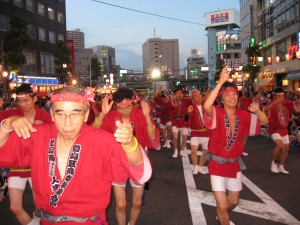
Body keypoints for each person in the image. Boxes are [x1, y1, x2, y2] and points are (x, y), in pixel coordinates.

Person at [0, 86, 152, 225]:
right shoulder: (37, 135)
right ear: (52, 114)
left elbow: (141, 171)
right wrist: (7, 125)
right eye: (60, 114)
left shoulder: (101, 140)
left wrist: (130, 144)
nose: (68, 123)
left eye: (75, 114)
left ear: (86, 115)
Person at [203, 65, 268, 225]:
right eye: (228, 94)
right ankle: (222, 216)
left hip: (234, 164)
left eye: (235, 94)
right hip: (217, 164)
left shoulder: (243, 115)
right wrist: (220, 83)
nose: (232, 97)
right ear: (222, 99)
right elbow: (206, 106)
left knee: (233, 202)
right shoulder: (217, 112)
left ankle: (221, 215)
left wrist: (258, 111)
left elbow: (265, 122)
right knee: (222, 205)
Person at [92, 87, 160, 225]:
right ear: (115, 106)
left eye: (127, 106)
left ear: (133, 102)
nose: (124, 111)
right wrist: (102, 114)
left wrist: (147, 118)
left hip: (138, 162)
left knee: (137, 202)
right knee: (121, 204)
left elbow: (153, 138)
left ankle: (132, 223)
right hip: (117, 163)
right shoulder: (110, 117)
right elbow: (92, 134)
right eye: (120, 108)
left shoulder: (141, 114)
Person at [0, 84, 52, 225]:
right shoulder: (10, 115)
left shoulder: (45, 118)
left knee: (39, 207)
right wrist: (9, 123)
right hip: (16, 168)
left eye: (26, 100)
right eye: (20, 100)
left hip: (38, 168)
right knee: (14, 207)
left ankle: (36, 220)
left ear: (35, 99)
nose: (22, 104)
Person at [264, 87, 297, 174]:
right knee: (280, 145)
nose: (280, 98)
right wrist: (273, 103)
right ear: (275, 96)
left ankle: (281, 166)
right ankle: (274, 162)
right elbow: (265, 109)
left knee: (286, 148)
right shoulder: (272, 103)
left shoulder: (286, 102)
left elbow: (296, 108)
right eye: (278, 96)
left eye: (282, 96)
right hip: (274, 129)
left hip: (284, 129)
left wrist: (297, 103)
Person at [185, 89, 210, 174]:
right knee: (193, 150)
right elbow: (185, 119)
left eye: (199, 95)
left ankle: (200, 166)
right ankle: (195, 166)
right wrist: (188, 112)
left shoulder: (206, 106)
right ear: (193, 99)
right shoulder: (191, 107)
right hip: (195, 133)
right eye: (196, 96)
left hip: (206, 132)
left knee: (206, 151)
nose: (199, 97)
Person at [170, 88, 191, 158]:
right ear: (175, 94)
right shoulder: (173, 101)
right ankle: (175, 150)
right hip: (175, 121)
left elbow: (193, 100)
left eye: (181, 93)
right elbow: (170, 104)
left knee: (185, 137)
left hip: (184, 121)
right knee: (175, 137)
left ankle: (182, 150)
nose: (180, 94)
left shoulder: (186, 101)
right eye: (178, 93)